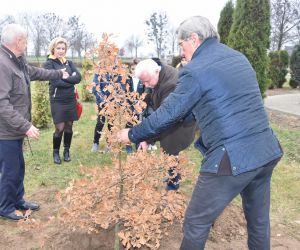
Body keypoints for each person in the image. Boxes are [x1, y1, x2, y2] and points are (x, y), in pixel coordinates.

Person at [117, 16, 283, 249]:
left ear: (193, 39)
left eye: (181, 45)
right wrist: (149, 135)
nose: (181, 53)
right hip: (266, 151)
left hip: (233, 158)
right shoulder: (238, 58)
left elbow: (169, 112)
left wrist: (133, 134)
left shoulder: (196, 70)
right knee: (258, 222)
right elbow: (193, 111)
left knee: (196, 222)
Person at [0, 24, 69, 221]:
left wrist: (58, 74)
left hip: (15, 130)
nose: (27, 43)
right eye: (26, 40)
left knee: (18, 166)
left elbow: (35, 72)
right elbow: (2, 104)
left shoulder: (17, 60)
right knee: (10, 170)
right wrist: (26, 126)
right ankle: (5, 207)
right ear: (18, 42)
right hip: (5, 131)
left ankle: (17, 199)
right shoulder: (3, 64)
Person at [133, 58, 197, 190]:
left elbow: (165, 118)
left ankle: (173, 184)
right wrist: (144, 100)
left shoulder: (170, 85)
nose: (145, 85)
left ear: (157, 71)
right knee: (168, 152)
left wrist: (146, 138)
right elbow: (152, 92)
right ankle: (171, 176)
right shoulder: (157, 76)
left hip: (179, 124)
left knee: (171, 150)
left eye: (147, 81)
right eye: (142, 81)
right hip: (171, 120)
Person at [44, 37, 81, 164]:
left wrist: (65, 78)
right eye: (58, 48)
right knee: (59, 127)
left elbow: (79, 78)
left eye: (63, 48)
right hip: (57, 100)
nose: (61, 51)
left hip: (70, 99)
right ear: (53, 49)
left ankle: (66, 151)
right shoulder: (49, 63)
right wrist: (69, 78)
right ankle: (55, 152)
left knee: (69, 126)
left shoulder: (69, 63)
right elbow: (56, 82)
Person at [91, 72, 113, 153]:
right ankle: (95, 142)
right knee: (100, 123)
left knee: (111, 123)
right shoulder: (98, 72)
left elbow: (119, 86)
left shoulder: (115, 71)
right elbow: (95, 88)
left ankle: (109, 144)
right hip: (102, 103)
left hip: (113, 103)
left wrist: (113, 100)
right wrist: (104, 101)